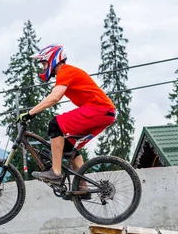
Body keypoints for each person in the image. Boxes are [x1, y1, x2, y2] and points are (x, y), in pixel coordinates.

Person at [19, 44, 116, 193]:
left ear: (52, 60)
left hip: (99, 109)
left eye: (44, 63)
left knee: (54, 124)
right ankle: (83, 188)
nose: (43, 68)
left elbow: (55, 97)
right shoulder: (65, 73)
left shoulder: (65, 71)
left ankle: (55, 173)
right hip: (103, 113)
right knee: (68, 147)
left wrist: (30, 113)